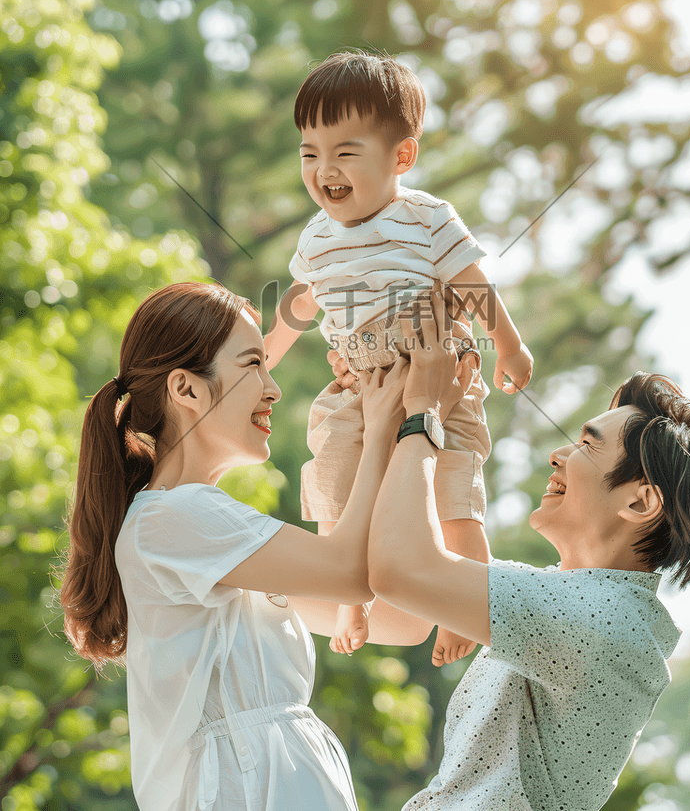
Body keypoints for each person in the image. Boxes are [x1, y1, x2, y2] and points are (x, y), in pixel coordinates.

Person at [365, 286, 690, 811]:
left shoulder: (608, 621)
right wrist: (411, 414)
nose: (559, 454)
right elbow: (396, 566)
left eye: (588, 445)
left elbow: (398, 568)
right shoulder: (561, 601)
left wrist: (422, 416)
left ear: (640, 503)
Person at [57, 280, 434, 811]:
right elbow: (351, 571)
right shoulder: (174, 518)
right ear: (186, 389)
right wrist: (390, 427)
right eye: (253, 364)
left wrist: (371, 430)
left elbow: (403, 616)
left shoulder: (214, 536)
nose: (273, 388)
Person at [263, 49, 533, 665]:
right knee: (334, 478)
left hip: (435, 373)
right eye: (309, 152)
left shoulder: (426, 218)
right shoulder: (316, 239)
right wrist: (264, 355)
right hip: (358, 381)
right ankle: (349, 593)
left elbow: (471, 284)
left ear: (401, 156)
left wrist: (510, 346)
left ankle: (469, 602)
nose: (323, 168)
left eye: (344, 152)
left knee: (453, 494)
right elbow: (303, 304)